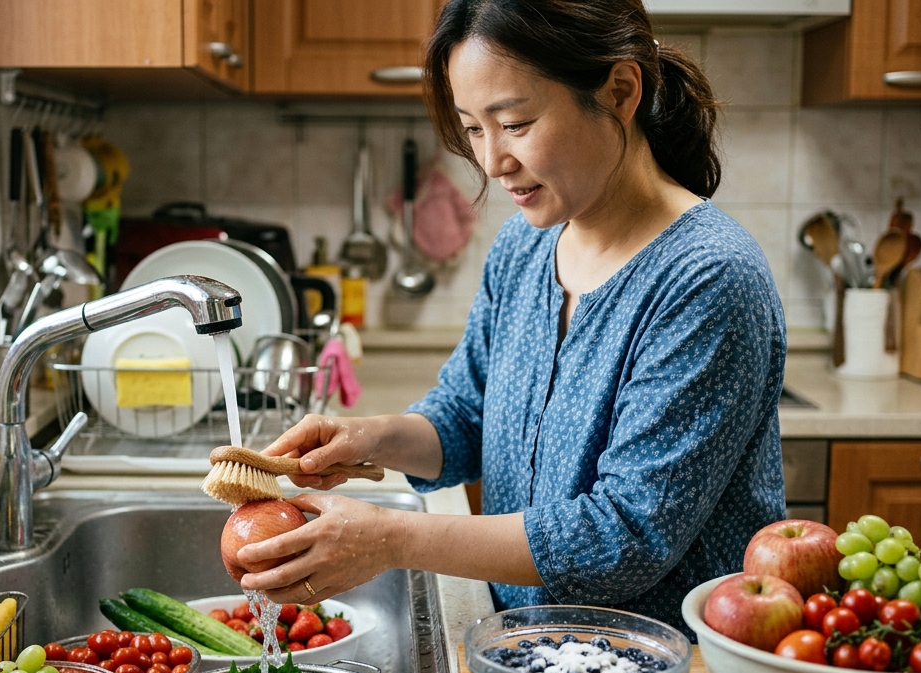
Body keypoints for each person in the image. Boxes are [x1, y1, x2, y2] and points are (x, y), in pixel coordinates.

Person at [235, 0, 786, 634]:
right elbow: (468, 416)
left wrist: (391, 539)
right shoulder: (524, 246)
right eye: (473, 128)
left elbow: (626, 535)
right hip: (527, 660)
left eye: (516, 123)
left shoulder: (707, 276)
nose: (493, 161)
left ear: (620, 91)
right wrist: (372, 437)